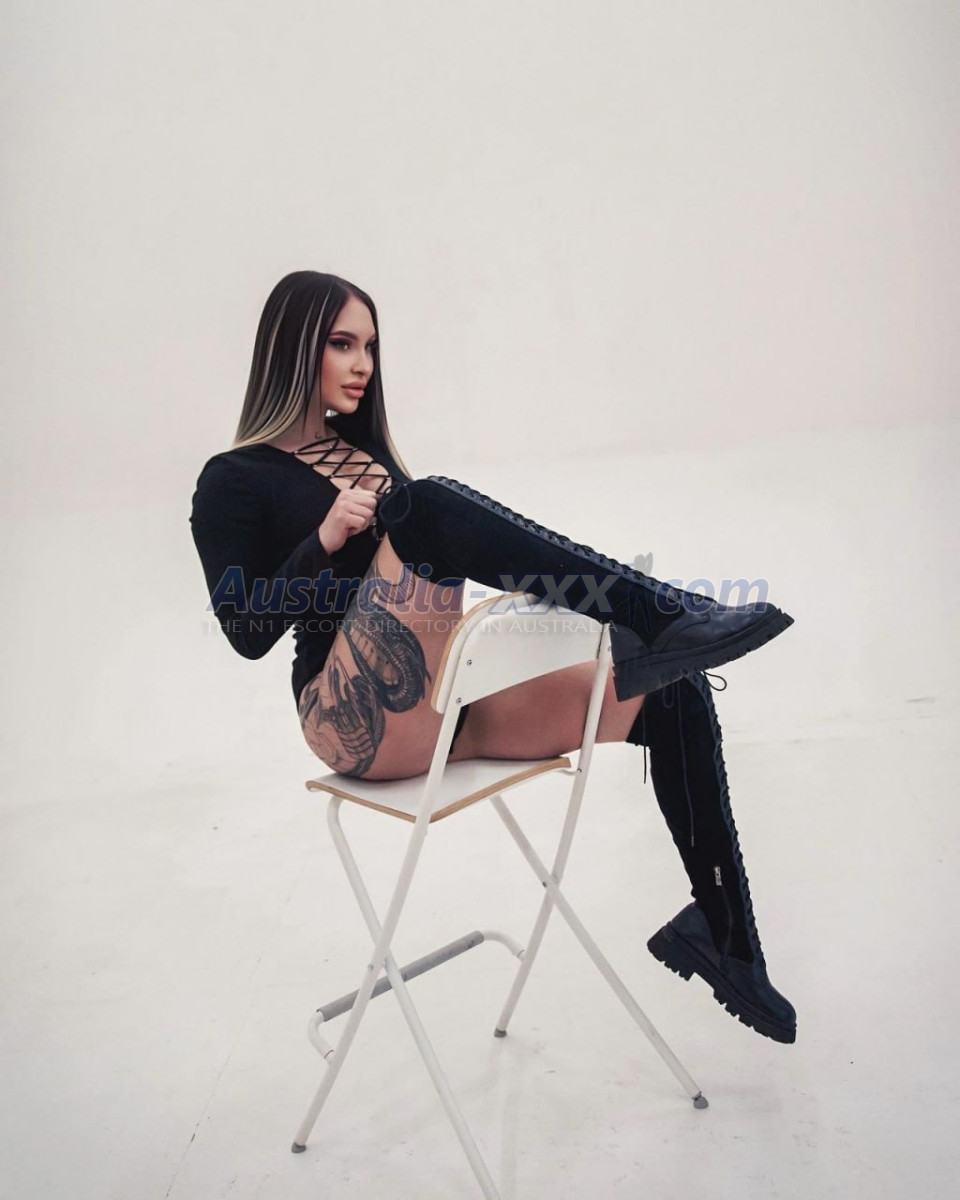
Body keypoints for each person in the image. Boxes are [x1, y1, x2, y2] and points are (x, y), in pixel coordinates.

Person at [190, 270, 797, 1044]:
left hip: (447, 702)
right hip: (349, 717)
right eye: (342, 343)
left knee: (674, 690)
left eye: (370, 345)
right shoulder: (234, 478)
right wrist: (324, 539)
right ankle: (661, 612)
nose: (363, 363)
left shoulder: (364, 455)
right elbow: (244, 629)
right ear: (292, 346)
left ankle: (725, 936)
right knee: (429, 504)